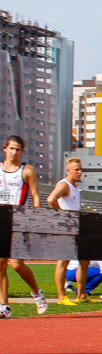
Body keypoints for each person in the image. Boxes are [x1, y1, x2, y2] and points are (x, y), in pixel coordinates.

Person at [0, 135, 49, 317]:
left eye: (17, 149)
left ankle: (37, 292)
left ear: (21, 151)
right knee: (0, 263)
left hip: (20, 220)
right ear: (5, 148)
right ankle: (4, 306)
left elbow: (36, 195)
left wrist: (38, 219)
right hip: (1, 221)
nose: (14, 152)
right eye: (11, 148)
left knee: (16, 264)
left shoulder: (26, 170)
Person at [48, 157, 90, 306]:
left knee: (85, 261)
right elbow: (51, 199)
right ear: (68, 171)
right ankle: (61, 297)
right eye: (76, 169)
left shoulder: (75, 185)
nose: (79, 172)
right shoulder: (64, 185)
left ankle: (82, 294)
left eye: (80, 169)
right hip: (66, 228)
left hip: (77, 227)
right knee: (63, 261)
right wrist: (63, 216)